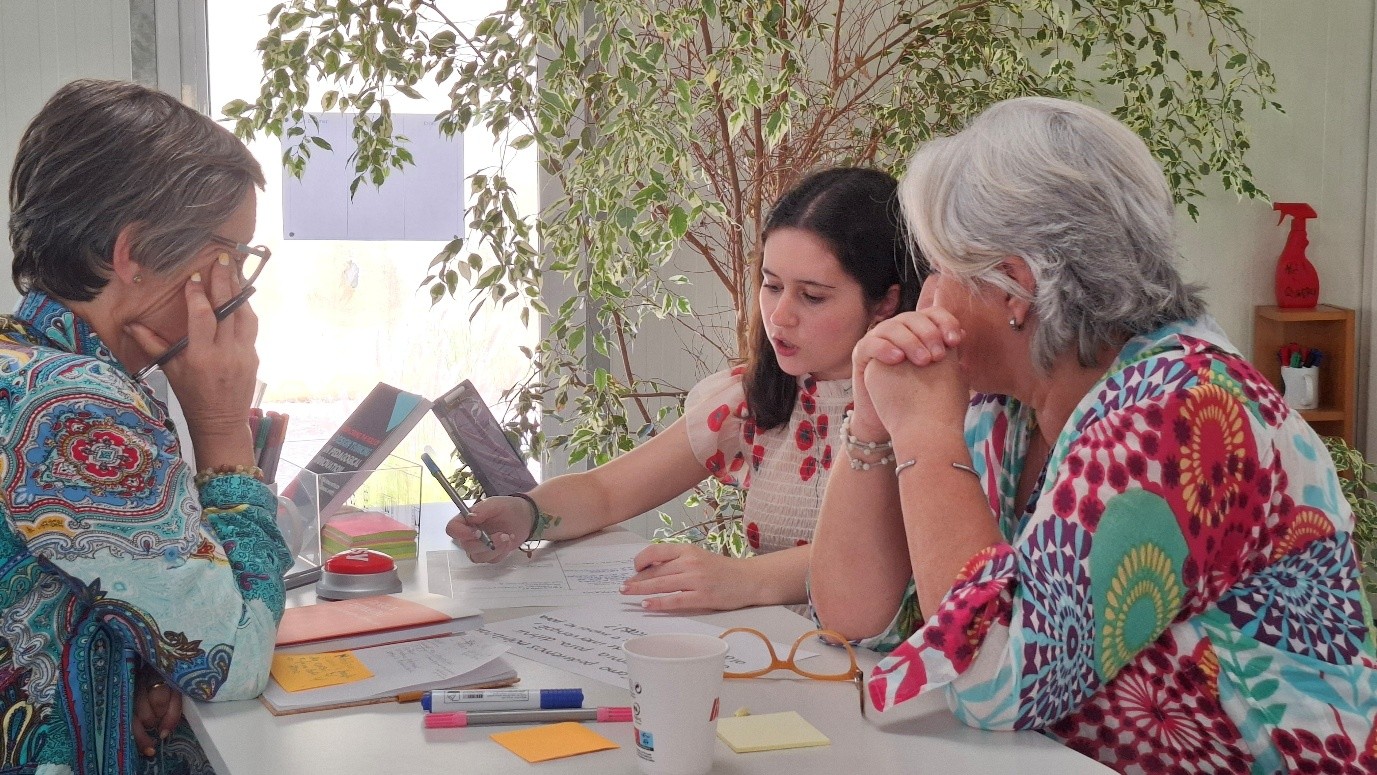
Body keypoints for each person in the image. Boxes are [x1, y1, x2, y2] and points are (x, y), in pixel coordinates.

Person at [809, 97, 1377, 772]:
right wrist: (875, 426)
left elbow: (993, 679)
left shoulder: (1184, 412)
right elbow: (851, 618)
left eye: (942, 268)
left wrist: (927, 437)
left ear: (1014, 290)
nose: (927, 296)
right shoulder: (1004, 402)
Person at [447, 167, 924, 612]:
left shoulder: (934, 408)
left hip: (890, 677)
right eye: (772, 285)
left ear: (886, 301)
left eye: (813, 296)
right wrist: (526, 514)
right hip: (780, 656)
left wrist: (745, 579)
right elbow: (607, 491)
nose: (780, 316)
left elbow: (890, 555)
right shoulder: (750, 399)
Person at [0, 80, 291, 774]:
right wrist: (222, 426)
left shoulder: (29, 365)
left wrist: (144, 663)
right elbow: (231, 662)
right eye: (230, 253)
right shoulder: (75, 406)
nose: (237, 288)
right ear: (132, 251)